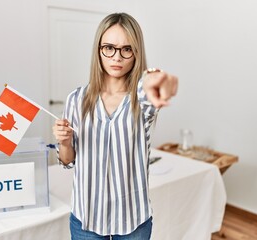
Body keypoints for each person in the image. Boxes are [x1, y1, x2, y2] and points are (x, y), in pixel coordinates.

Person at [52, 12, 178, 240]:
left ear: (136, 53)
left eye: (126, 49)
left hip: (133, 220)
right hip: (86, 218)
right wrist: (64, 142)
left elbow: (159, 83)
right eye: (109, 47)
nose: (116, 57)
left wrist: (158, 79)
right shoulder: (76, 99)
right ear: (98, 50)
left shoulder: (142, 98)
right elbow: (67, 161)